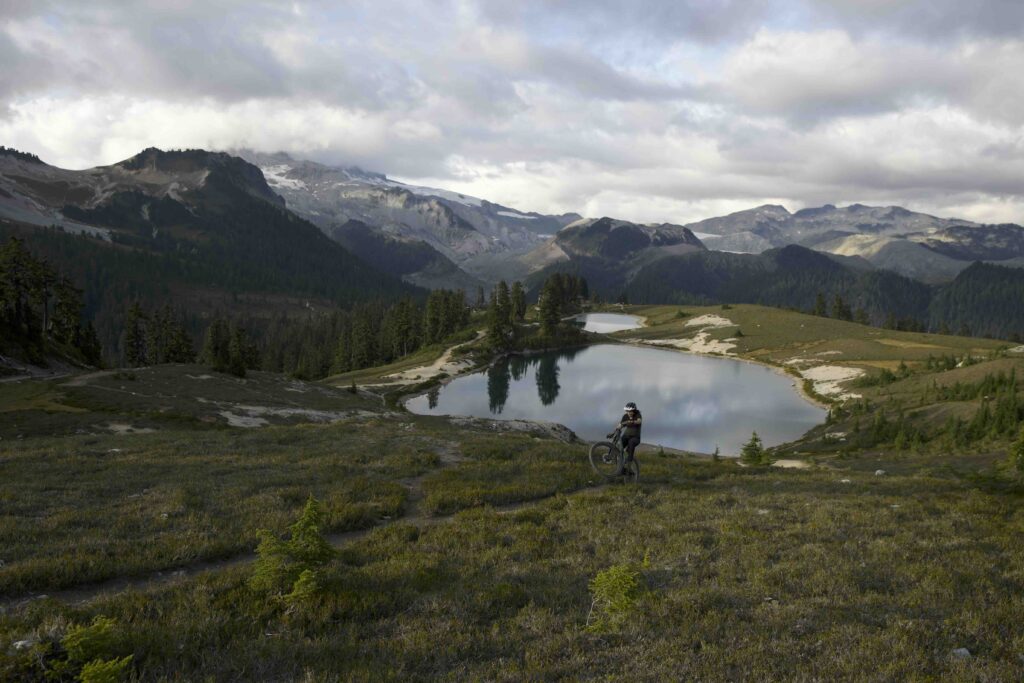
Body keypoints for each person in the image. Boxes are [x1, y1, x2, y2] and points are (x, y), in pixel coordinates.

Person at [609, 401, 642, 475]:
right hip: (626, 436)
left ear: (634, 410)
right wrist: (613, 433)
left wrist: (632, 422)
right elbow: (620, 425)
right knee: (618, 449)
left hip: (635, 437)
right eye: (627, 411)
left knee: (630, 446)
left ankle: (629, 468)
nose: (629, 412)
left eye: (630, 411)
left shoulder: (638, 414)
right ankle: (620, 468)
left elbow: (639, 421)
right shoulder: (625, 416)